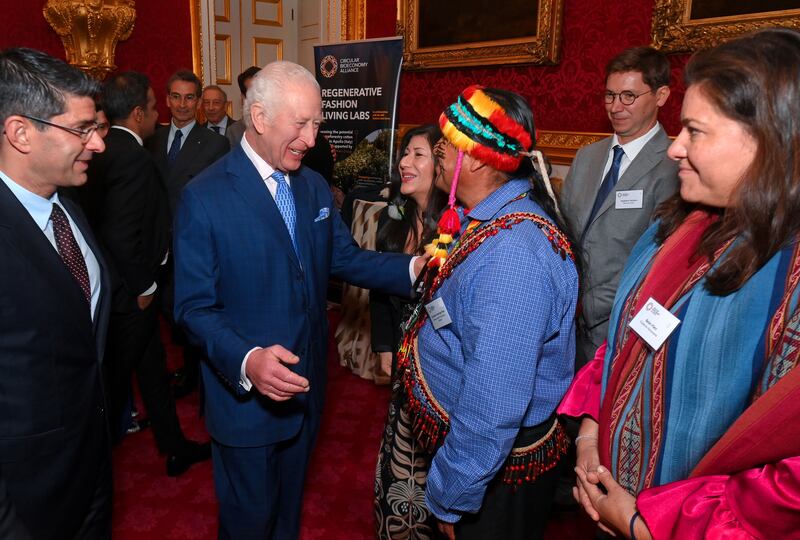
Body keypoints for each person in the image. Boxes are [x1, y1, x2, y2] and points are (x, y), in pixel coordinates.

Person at [560, 28, 800, 539]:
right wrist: (589, 432)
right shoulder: (680, 226)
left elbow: (787, 487)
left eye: (695, 131)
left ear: (771, 139)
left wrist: (646, 525)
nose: (676, 149)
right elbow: (625, 341)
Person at [173, 60, 423, 540]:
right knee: (248, 524)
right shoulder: (203, 198)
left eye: (317, 123)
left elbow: (344, 259)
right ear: (261, 118)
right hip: (244, 402)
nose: (312, 139)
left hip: (307, 391)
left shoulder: (311, 186)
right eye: (302, 124)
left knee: (287, 518)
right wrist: (247, 360)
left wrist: (414, 268)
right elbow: (193, 308)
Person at [377, 86, 579, 540]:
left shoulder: (513, 255)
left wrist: (452, 492)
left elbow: (494, 401)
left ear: (478, 160)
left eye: (445, 147)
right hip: (478, 454)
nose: (439, 157)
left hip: (491, 472)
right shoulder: (485, 218)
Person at [0, 47, 111, 539]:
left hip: (91, 465)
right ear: (22, 133)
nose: (98, 145)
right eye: (81, 130)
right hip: (27, 500)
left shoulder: (68, 203)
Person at [78, 71, 210, 476]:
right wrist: (146, 286)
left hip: (120, 285)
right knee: (113, 383)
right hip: (130, 290)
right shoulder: (133, 156)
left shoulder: (104, 150)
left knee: (151, 367)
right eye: (155, 106)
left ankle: (174, 445)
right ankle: (88, 466)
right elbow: (120, 233)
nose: (159, 114)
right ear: (138, 113)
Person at [560, 47, 679, 369]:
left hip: (620, 326)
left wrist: (589, 305)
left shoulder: (674, 166)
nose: (615, 107)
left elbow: (658, 259)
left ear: (661, 95)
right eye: (610, 96)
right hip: (563, 321)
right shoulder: (587, 156)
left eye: (628, 96)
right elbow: (563, 231)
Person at [146, 69, 230, 398]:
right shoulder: (151, 138)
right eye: (176, 97)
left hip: (193, 242)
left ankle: (198, 368)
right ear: (167, 100)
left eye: (189, 97)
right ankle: (186, 363)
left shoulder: (215, 143)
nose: (183, 104)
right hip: (155, 242)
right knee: (164, 309)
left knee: (193, 307)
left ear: (198, 102)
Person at [370, 124, 447, 377]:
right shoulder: (392, 219)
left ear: (441, 164)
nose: (405, 162)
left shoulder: (455, 226)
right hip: (397, 346)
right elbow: (379, 285)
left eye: (418, 154)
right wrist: (383, 347)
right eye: (405, 153)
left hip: (437, 360)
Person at [226, 65, 260, 146]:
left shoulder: (283, 124)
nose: (259, 97)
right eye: (252, 93)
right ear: (244, 97)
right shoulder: (235, 131)